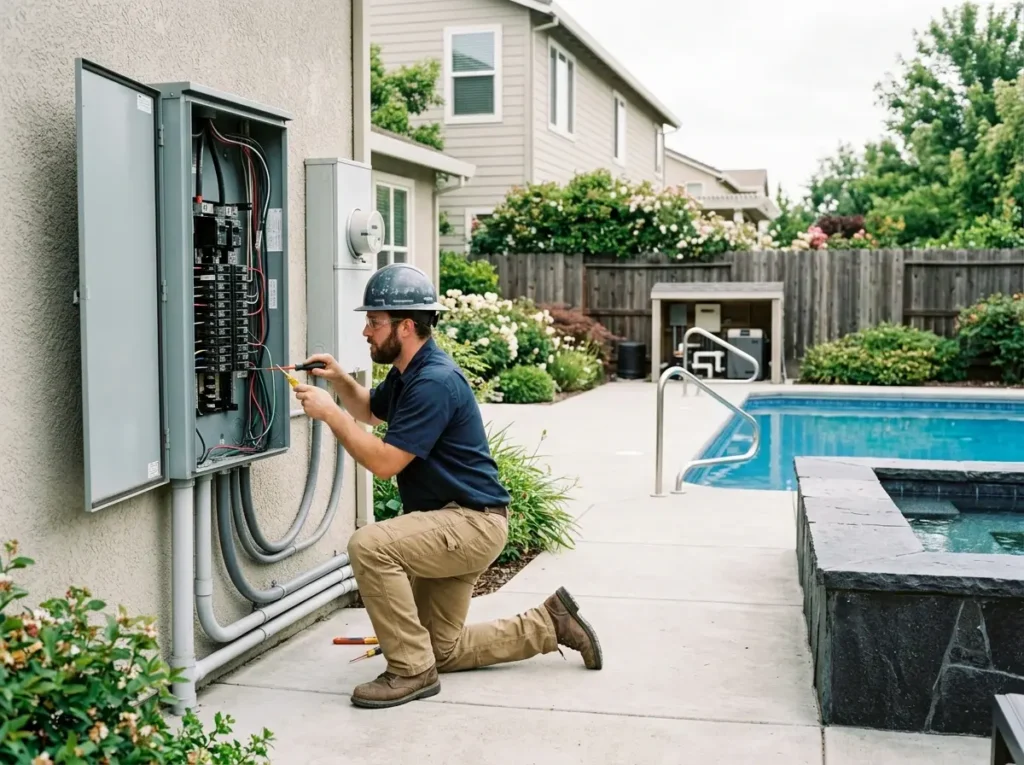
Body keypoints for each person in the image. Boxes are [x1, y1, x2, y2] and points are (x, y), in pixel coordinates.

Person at [292, 263, 602, 709]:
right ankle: (551, 624)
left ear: (405, 326)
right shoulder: (408, 372)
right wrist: (340, 382)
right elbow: (371, 412)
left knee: (370, 546)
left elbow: (384, 463)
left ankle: (409, 672)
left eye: (374, 322)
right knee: (441, 650)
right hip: (456, 522)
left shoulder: (434, 381)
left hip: (471, 523)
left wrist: (330, 414)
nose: (365, 331)